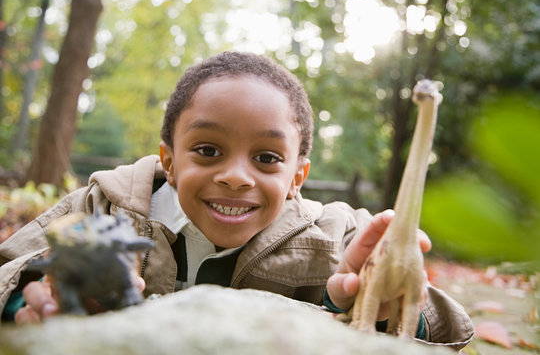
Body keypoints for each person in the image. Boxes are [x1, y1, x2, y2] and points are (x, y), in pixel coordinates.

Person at [0, 51, 473, 349]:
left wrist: (376, 301)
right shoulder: (101, 207)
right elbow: (9, 269)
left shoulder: (338, 236)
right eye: (208, 150)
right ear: (169, 160)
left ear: (297, 177)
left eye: (267, 158)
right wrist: (35, 288)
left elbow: (452, 325)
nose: (234, 177)